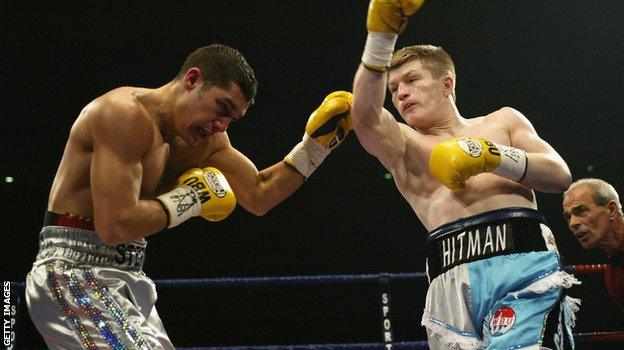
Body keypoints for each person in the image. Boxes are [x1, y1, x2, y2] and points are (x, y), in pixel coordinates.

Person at [25, 43, 353, 349]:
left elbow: (258, 194)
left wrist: (313, 149)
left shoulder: (203, 141)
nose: (221, 126)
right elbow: (115, 225)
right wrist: (191, 199)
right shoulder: (123, 114)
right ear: (193, 80)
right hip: (72, 271)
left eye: (231, 118)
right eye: (221, 108)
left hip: (128, 275)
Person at [351, 1, 579, 348]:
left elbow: (560, 175)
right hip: (449, 275)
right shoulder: (404, 143)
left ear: (447, 83)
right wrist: (381, 36)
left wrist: (493, 157)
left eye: (411, 80)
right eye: (394, 89)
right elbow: (365, 116)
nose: (401, 93)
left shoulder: (502, 121)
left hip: (521, 262)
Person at [562, 178, 624, 312]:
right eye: (568, 217)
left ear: (611, 210)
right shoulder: (612, 273)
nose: (573, 223)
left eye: (581, 211)